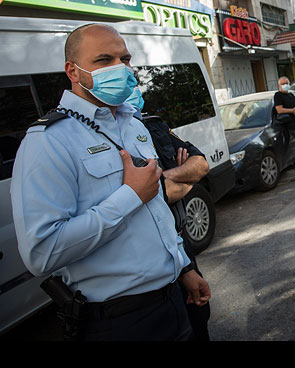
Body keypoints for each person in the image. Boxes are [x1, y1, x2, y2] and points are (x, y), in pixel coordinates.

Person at [11, 23, 210, 341]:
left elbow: (156, 214)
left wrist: (184, 267)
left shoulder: (134, 124)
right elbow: (41, 253)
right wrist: (131, 195)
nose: (120, 68)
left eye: (125, 58)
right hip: (120, 320)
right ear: (73, 72)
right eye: (104, 60)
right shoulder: (48, 141)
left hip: (173, 298)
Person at [126, 86, 212, 341]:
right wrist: (178, 172)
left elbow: (200, 165)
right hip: (143, 258)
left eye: (130, 71)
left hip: (180, 246)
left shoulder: (152, 125)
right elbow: (156, 195)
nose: (129, 80)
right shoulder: (104, 137)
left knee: (198, 318)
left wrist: (160, 177)